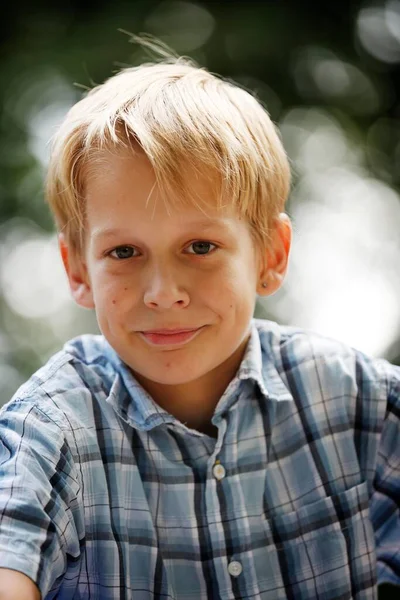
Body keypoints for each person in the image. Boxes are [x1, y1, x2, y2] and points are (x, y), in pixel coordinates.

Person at [0, 39, 399, 600]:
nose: (163, 294)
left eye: (200, 246)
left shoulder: (361, 406)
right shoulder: (51, 428)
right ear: (77, 269)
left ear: (271, 255)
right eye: (124, 253)